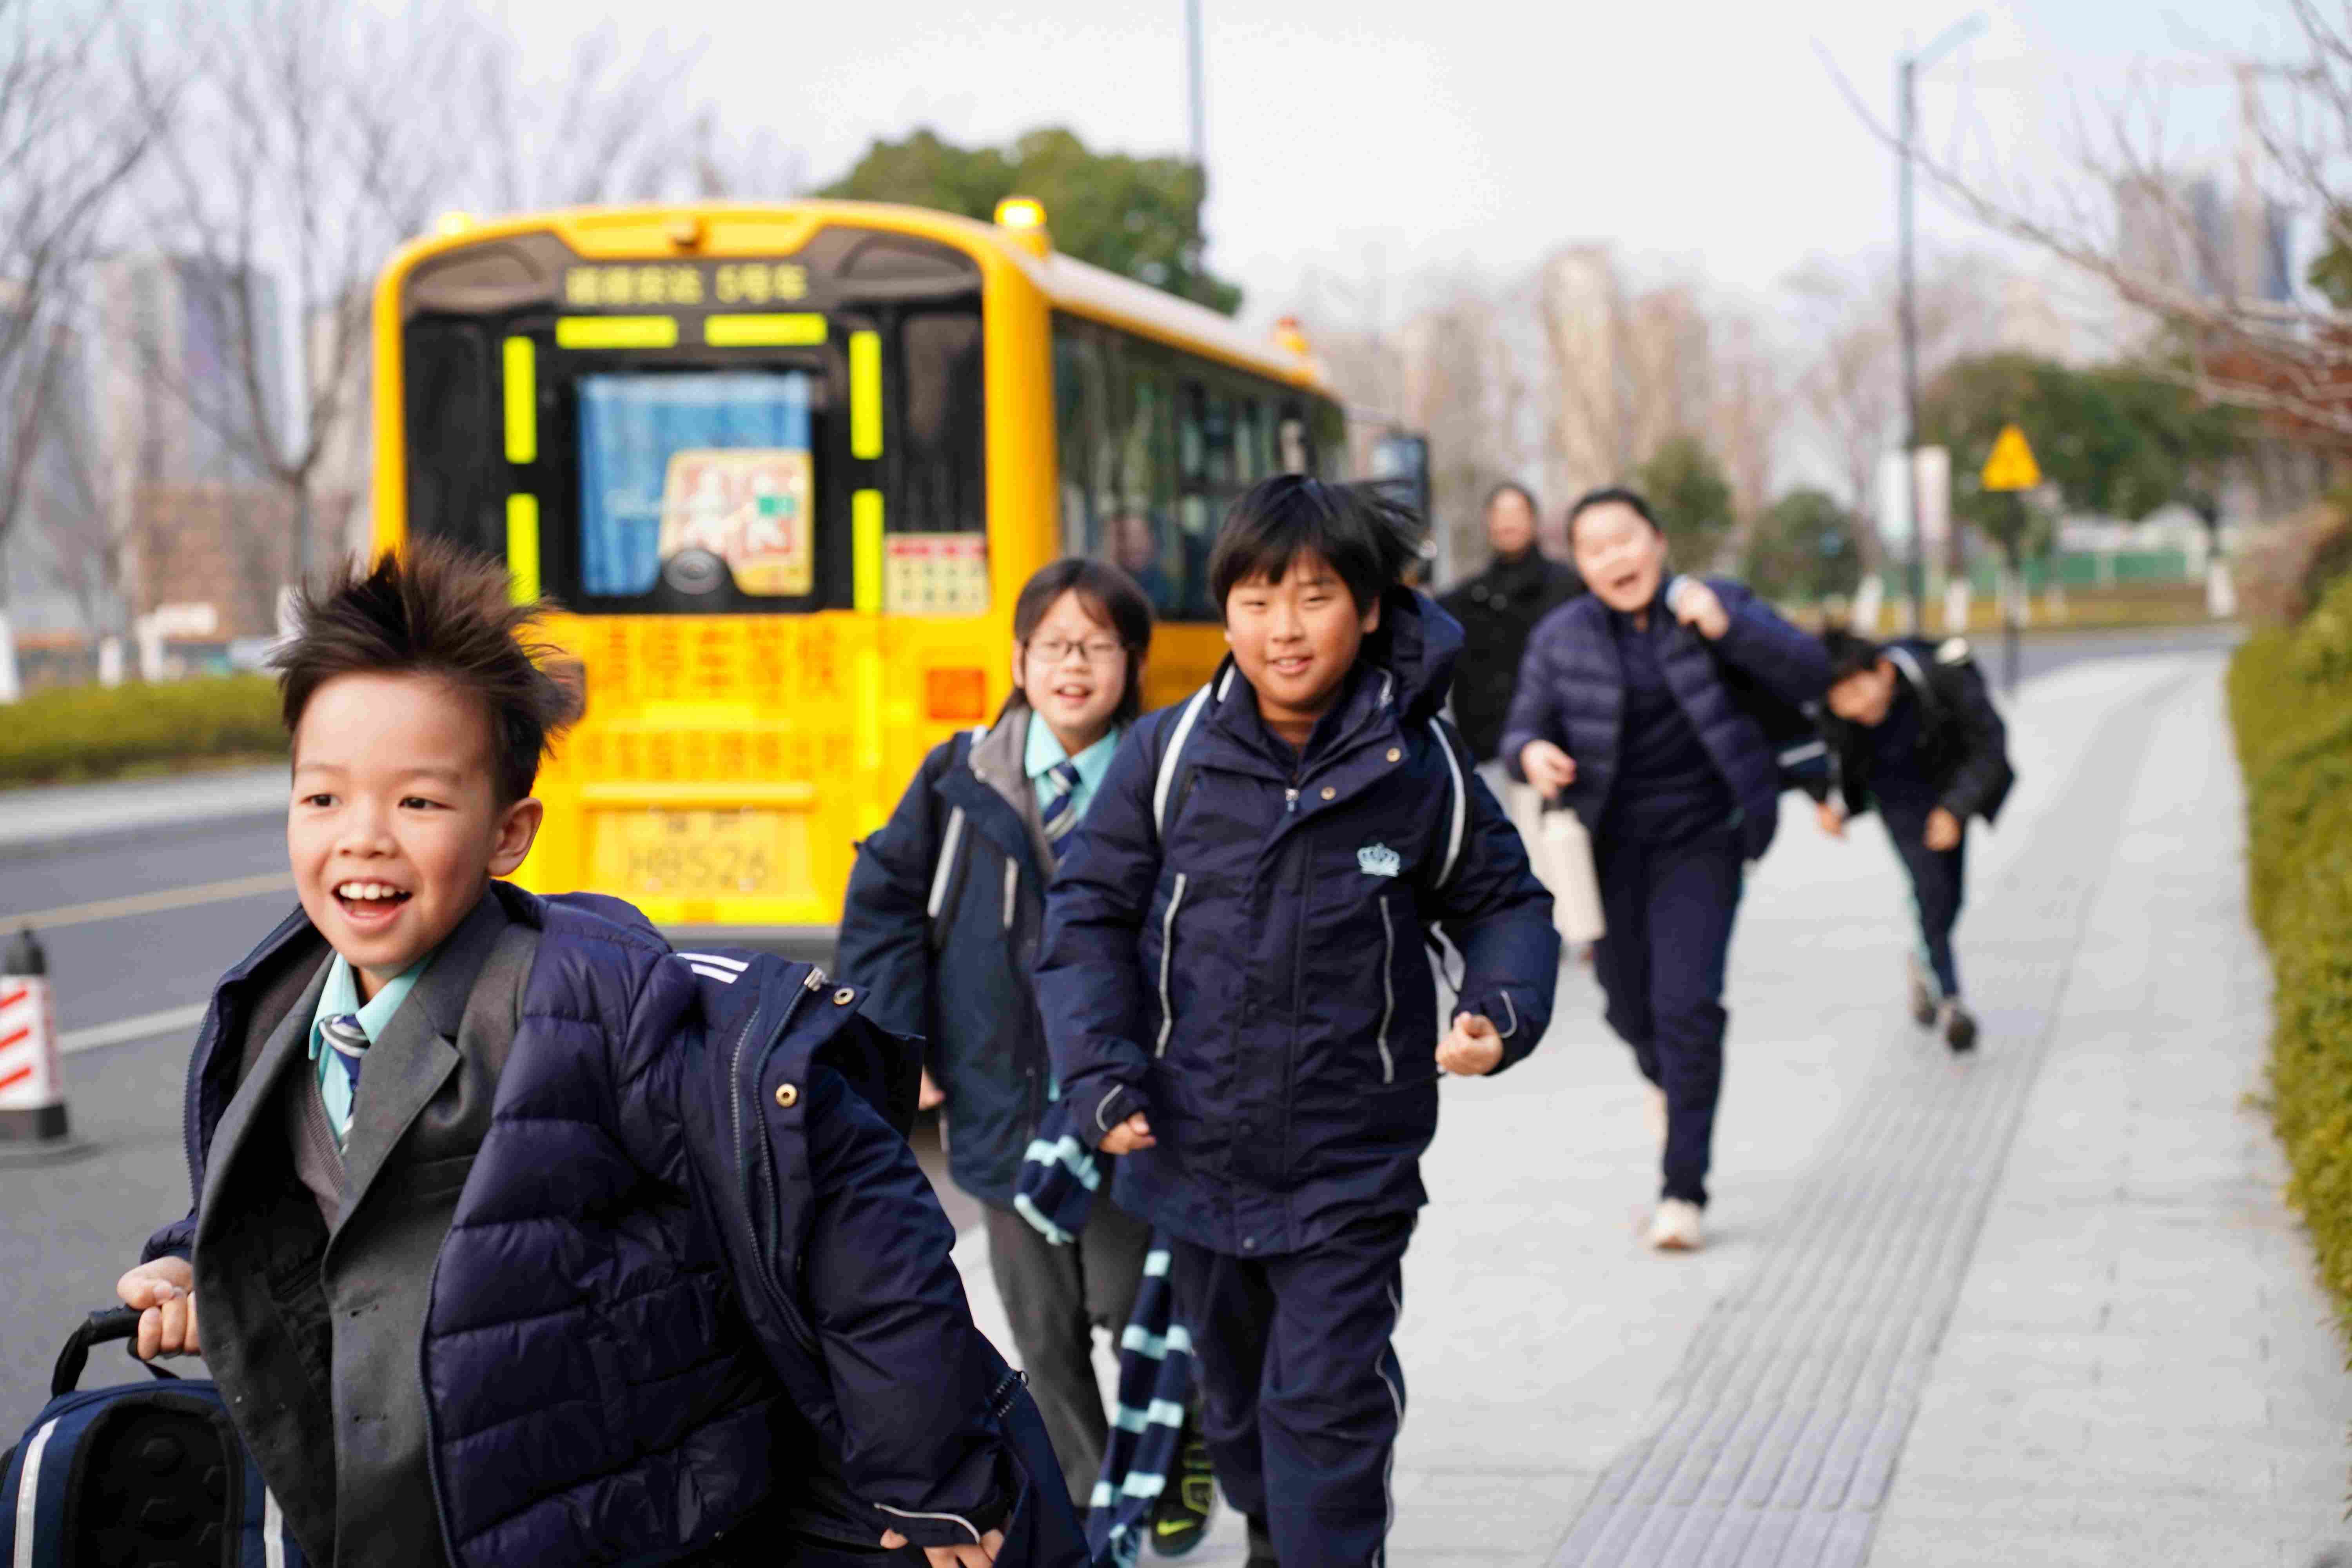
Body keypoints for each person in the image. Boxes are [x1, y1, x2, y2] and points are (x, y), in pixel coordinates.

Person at [114, 543, 1083, 1568]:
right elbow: (308, 1194)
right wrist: (192, 1257)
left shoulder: (597, 1006)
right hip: (391, 1517)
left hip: (617, 1521)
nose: (363, 837)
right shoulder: (276, 1015)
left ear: (510, 833)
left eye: (418, 803)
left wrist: (931, 1478)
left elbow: (853, 1214)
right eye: (323, 799)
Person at [1038, 475, 1560, 1568]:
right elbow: (1086, 916)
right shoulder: (1170, 758)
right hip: (1194, 1154)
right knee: (1237, 1412)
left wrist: (1498, 1010)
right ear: (1226, 611)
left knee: (1326, 1410)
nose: (1285, 628)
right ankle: (1275, 1525)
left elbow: (1505, 903)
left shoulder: (1419, 769)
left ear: (1367, 610)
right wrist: (1100, 1072)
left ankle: (1316, 1540)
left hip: (1349, 1164)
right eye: (1258, 599)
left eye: (1315, 597)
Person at [836, 557, 1216, 1552]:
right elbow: (883, 908)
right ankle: (1091, 1498)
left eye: (1096, 646)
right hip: (1001, 1096)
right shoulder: (959, 775)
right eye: (1054, 646)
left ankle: (1179, 1438)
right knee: (1043, 1330)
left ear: (1133, 663)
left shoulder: (1169, 775)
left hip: (1124, 1098)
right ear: (1019, 659)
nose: (1073, 666)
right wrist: (900, 1043)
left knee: (1129, 1301)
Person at [1501, 486, 1829, 1254]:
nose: (1615, 557)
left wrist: (1728, 627)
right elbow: (1523, 726)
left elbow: (1812, 672)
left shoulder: (1716, 604)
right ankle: (1669, 1080)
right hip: (1606, 848)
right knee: (1626, 1006)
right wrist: (1531, 753)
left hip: (1704, 839)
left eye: (1626, 539)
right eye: (1595, 548)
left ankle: (1683, 1189)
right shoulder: (1561, 636)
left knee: (1687, 1006)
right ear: (1581, 566)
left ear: (1657, 540)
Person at [1814, 627, 2016, 1053]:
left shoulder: (1938, 677)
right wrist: (1830, 804)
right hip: (1897, 800)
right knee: (1931, 889)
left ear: (1884, 671)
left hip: (1948, 785)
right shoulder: (1835, 712)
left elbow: (1989, 742)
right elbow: (1821, 757)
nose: (1855, 707)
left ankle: (1923, 959)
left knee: (1951, 896)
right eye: (1842, 700)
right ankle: (1951, 1003)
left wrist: (1956, 809)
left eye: (1859, 691)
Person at [1438, 481, 1583, 773]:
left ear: (1534, 520)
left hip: (1557, 752)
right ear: (1488, 522)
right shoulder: (1467, 598)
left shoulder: (1571, 587)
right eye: (1499, 513)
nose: (1508, 522)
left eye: (1516, 512)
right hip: (1485, 756)